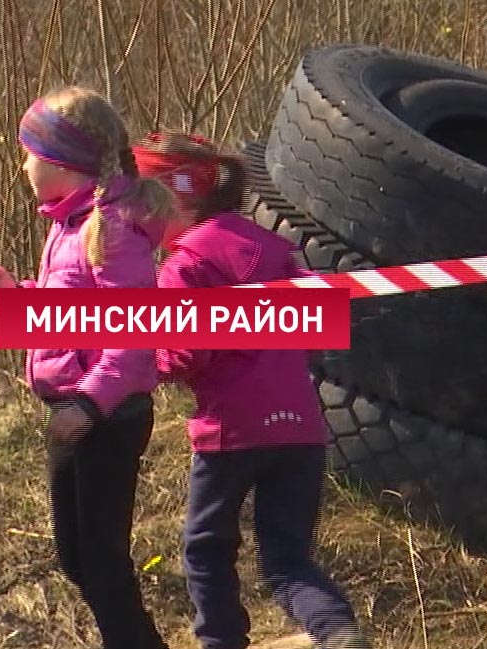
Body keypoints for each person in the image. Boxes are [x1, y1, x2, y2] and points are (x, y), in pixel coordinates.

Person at [132, 131, 372, 649]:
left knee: (205, 549)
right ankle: (336, 630)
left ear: (168, 198)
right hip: (302, 430)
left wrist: (144, 358)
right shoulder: (274, 250)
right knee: (287, 560)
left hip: (230, 433)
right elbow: (318, 322)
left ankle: (220, 642)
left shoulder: (184, 267)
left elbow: (185, 353)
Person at [0, 85, 175, 649]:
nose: (22, 163)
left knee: (101, 565)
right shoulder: (68, 225)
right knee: (79, 560)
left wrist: (88, 403)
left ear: (60, 163)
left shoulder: (113, 228)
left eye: (28, 153)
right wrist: (11, 295)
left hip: (106, 415)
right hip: (76, 411)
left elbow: (134, 331)